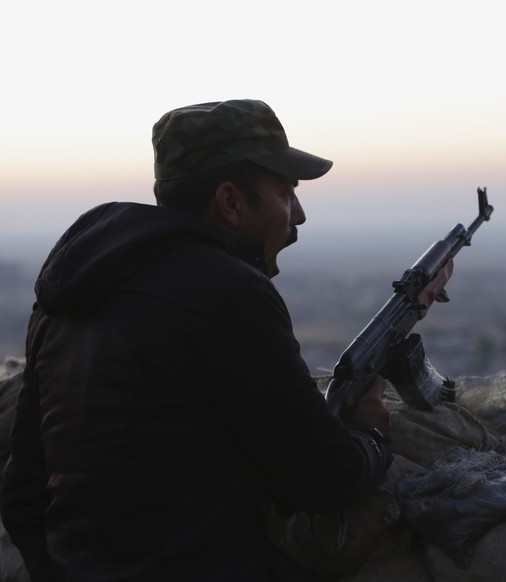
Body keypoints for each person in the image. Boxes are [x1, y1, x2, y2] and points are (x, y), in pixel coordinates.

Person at [0, 99, 449, 581]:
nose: (298, 215)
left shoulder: (67, 293)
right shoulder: (229, 292)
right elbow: (323, 479)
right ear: (231, 202)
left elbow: (22, 491)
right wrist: (370, 431)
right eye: (285, 193)